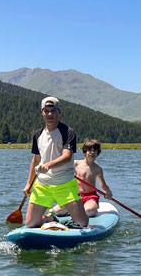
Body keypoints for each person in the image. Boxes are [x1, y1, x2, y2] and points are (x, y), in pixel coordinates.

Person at [23, 96, 89, 228]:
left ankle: (75, 211)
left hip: (64, 183)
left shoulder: (68, 132)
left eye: (53, 111)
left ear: (59, 112)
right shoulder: (37, 135)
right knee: (30, 223)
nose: (50, 114)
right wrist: (28, 184)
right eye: (46, 111)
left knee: (82, 223)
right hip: (42, 184)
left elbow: (67, 156)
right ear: (42, 112)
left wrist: (48, 165)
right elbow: (35, 160)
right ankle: (49, 218)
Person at [53, 139, 113, 217]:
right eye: (89, 150)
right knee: (55, 211)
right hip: (75, 195)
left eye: (95, 151)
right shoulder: (76, 164)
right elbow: (62, 168)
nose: (92, 152)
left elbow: (103, 185)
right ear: (85, 152)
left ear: (98, 153)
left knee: (89, 210)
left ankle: (91, 207)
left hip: (90, 197)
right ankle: (73, 210)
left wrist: (108, 191)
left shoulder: (98, 169)